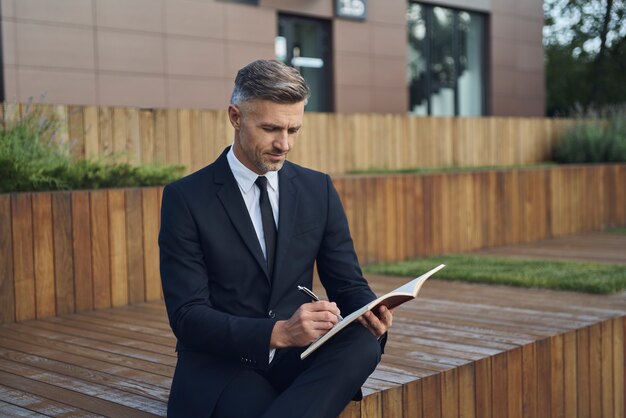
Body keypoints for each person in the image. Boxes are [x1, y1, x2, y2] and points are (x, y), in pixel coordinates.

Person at [159, 59, 393, 418]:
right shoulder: (186, 198)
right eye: (270, 128)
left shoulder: (318, 189)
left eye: (294, 130)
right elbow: (188, 317)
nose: (284, 144)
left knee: (362, 343)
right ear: (235, 117)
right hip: (223, 365)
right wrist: (277, 332)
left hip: (298, 356)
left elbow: (348, 284)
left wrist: (370, 310)